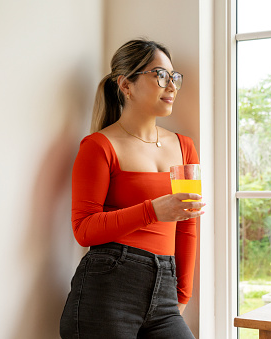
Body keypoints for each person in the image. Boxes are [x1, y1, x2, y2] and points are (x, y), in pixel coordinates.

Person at [60, 38, 204, 339]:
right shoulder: (99, 147)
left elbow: (188, 224)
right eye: (160, 75)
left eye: (174, 77)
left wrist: (182, 294)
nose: (172, 86)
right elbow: (84, 229)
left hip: (164, 291)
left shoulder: (184, 147)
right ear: (126, 85)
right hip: (107, 291)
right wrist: (153, 211)